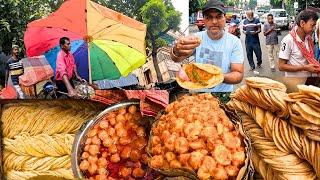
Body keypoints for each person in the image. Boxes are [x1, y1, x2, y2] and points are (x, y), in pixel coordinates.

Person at [170, 0, 244, 94]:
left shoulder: (234, 42)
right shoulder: (196, 39)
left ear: (225, 18)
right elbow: (177, 58)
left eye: (218, 17)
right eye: (209, 17)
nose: (214, 21)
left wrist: (214, 77)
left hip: (224, 94)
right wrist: (176, 50)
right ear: (204, 20)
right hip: (200, 93)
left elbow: (238, 74)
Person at [278, 10, 320, 86]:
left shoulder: (309, 38)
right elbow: (281, 66)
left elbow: (309, 59)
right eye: (312, 25)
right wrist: (305, 68)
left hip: (308, 81)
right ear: (302, 23)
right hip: (294, 83)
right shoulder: (288, 40)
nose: (314, 29)